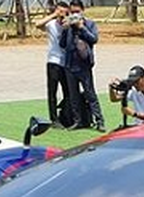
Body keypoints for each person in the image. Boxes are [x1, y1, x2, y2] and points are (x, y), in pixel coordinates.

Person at [60, 0, 105, 131]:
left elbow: (94, 39)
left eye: (77, 12)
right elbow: (62, 44)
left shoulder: (89, 24)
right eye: (72, 12)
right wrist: (64, 29)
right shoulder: (68, 26)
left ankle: (99, 120)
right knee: (73, 96)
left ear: (82, 10)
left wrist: (81, 27)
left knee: (90, 94)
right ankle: (77, 120)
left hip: (84, 65)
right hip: (70, 65)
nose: (74, 15)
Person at [36, 1, 72, 128]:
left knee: (68, 91)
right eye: (60, 12)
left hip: (67, 62)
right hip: (53, 61)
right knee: (52, 92)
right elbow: (37, 24)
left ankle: (67, 115)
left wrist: (67, 19)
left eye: (64, 12)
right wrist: (53, 15)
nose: (62, 15)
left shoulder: (68, 24)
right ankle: (54, 119)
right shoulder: (51, 24)